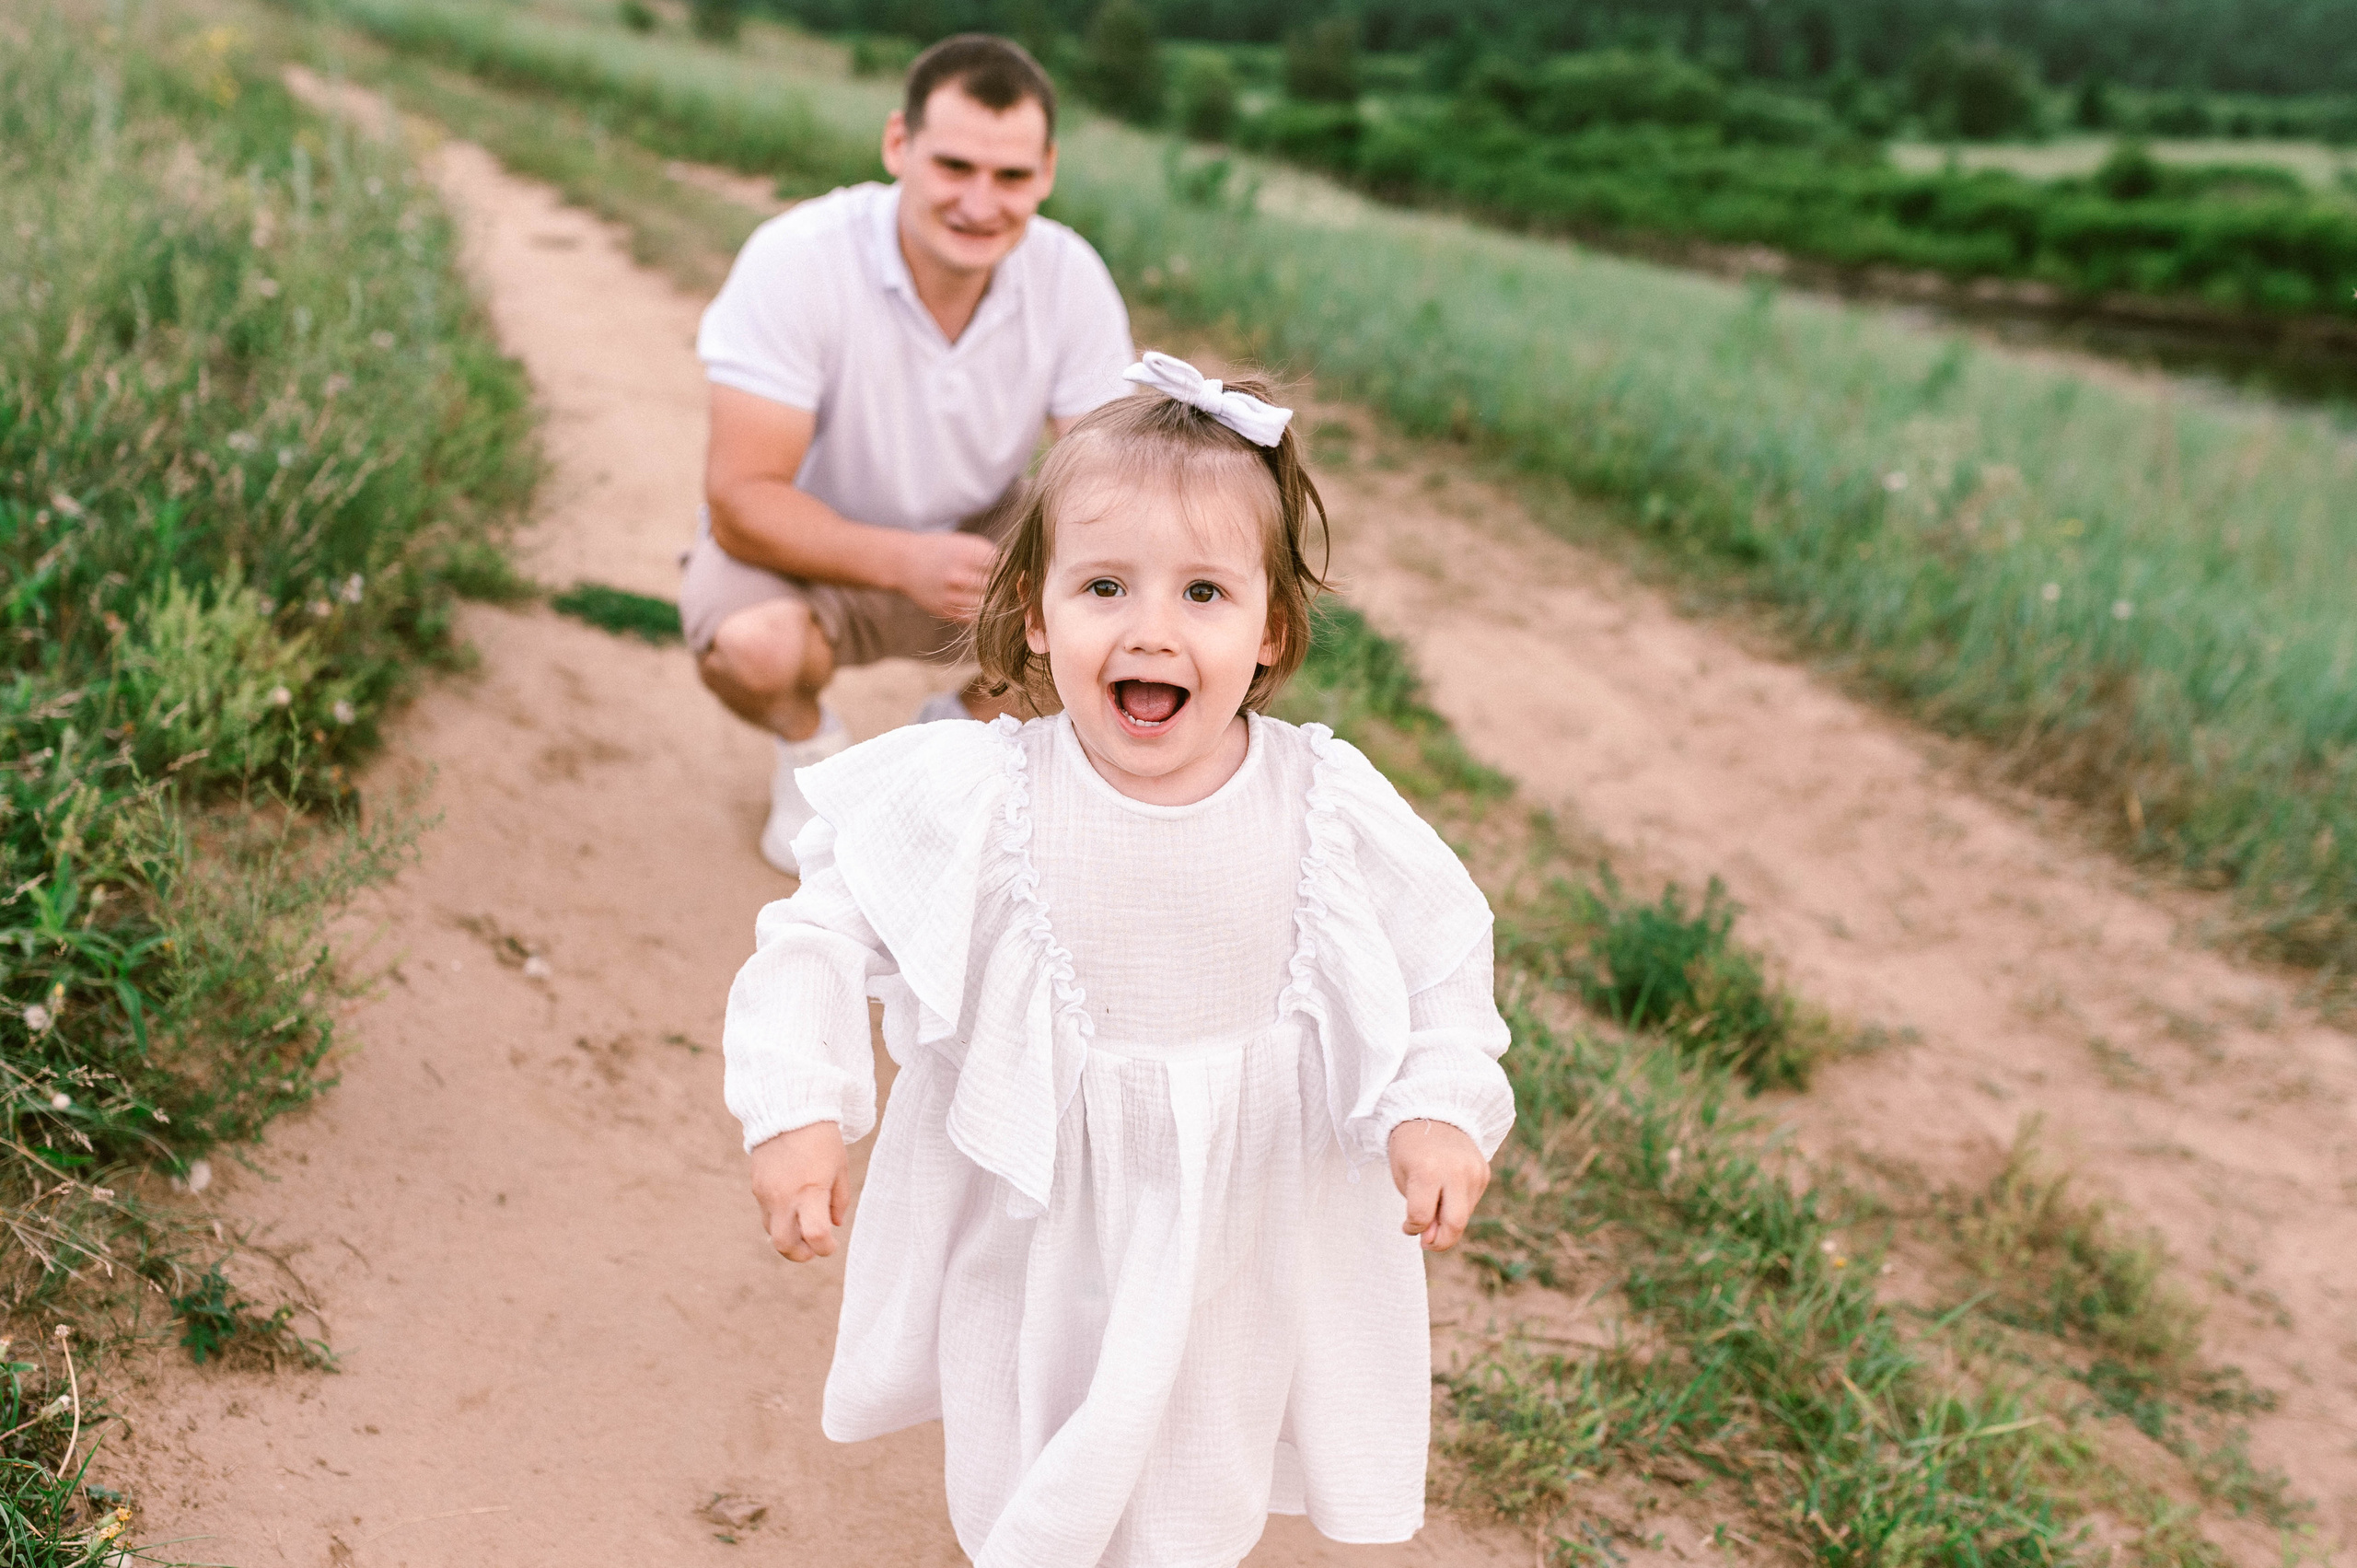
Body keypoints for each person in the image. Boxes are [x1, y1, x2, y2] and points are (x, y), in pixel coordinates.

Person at [721, 353, 1515, 1568]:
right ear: (1037, 611)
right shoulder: (983, 789)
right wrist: (798, 1104)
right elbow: (820, 929)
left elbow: (1440, 954)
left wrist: (1438, 1107)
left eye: (1204, 591)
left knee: (1195, 1474)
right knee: (1025, 1471)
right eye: (1105, 585)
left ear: (1269, 627)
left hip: (1237, 1225)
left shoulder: (1322, 800)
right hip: (1040, 1222)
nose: (1152, 627)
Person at [684, 34, 1133, 873]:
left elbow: (1112, 481)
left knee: (1115, 602)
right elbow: (741, 498)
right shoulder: (797, 256)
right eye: (954, 166)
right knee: (755, 647)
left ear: (1046, 171)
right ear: (899, 144)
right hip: (807, 537)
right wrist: (905, 561)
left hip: (980, 532)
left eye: (1010, 176)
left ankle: (955, 741)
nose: (979, 203)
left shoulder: (1070, 275)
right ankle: (811, 753)